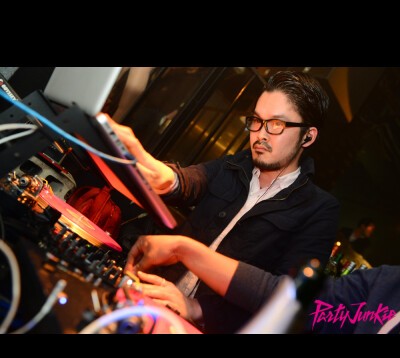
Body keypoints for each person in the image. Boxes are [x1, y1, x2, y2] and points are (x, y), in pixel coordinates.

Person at [108, 70, 340, 333]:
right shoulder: (236, 163)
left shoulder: (320, 209)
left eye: (276, 124)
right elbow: (189, 181)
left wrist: (197, 308)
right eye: (256, 120)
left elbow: (286, 299)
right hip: (152, 303)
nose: (260, 134)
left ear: (308, 136)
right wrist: (161, 175)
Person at [126, 234, 400, 334]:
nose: (263, 134)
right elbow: (295, 300)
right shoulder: (388, 282)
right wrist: (183, 249)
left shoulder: (321, 209)